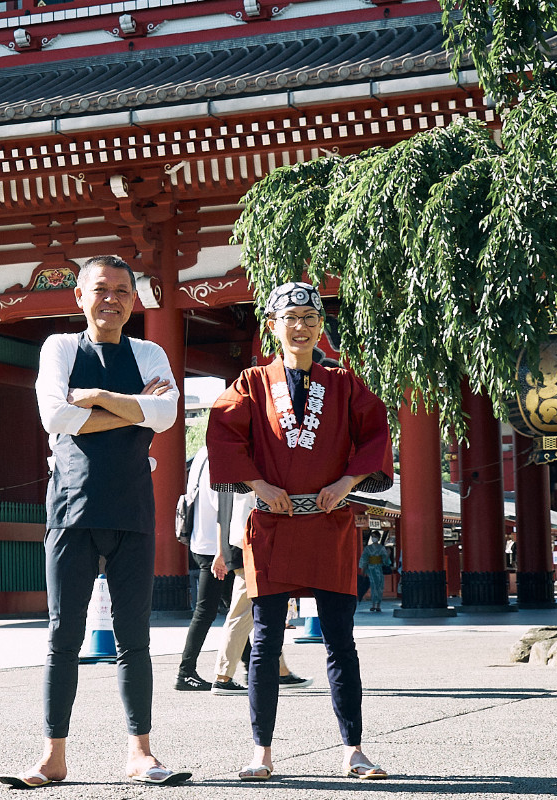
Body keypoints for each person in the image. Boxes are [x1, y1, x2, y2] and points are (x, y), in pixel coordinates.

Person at [0, 255, 187, 790]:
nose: (112, 299)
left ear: (135, 298)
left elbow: (168, 415)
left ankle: (141, 753)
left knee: (135, 637)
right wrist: (134, 408)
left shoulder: (149, 352)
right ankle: (52, 755)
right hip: (72, 508)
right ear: (79, 296)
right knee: (64, 635)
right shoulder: (60, 347)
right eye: (100, 289)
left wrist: (100, 398)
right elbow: (54, 417)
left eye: (123, 290)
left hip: (132, 506)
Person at [205, 281, 394, 781]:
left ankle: (354, 749)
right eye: (290, 318)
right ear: (273, 326)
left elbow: (376, 431)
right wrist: (257, 483)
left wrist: (348, 480)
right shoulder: (250, 381)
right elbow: (223, 431)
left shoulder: (344, 382)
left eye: (310, 318)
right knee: (265, 642)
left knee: (340, 640)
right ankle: (261, 752)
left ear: (320, 327)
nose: (301, 326)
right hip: (274, 523)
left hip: (329, 521)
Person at [209, 492, 313, 695]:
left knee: (268, 610)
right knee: (241, 614)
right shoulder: (250, 474)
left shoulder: (228, 478)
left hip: (241, 545)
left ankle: (281, 671)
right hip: (254, 545)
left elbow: (223, 516)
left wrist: (220, 552)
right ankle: (223, 676)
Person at [174, 446, 229, 691]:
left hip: (199, 541)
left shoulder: (201, 455)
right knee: (206, 611)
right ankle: (185, 673)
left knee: (235, 610)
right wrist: (221, 553)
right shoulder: (220, 457)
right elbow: (221, 511)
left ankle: (248, 666)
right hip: (212, 548)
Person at [359, 534, 391, 612]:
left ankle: (378, 605)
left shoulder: (381, 548)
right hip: (370, 569)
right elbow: (364, 559)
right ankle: (373, 604)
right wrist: (363, 569)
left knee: (379, 587)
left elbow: (385, 561)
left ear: (378, 538)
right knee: (373, 586)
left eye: (375, 537)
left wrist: (388, 554)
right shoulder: (367, 548)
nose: (374, 538)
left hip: (379, 569)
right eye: (372, 537)